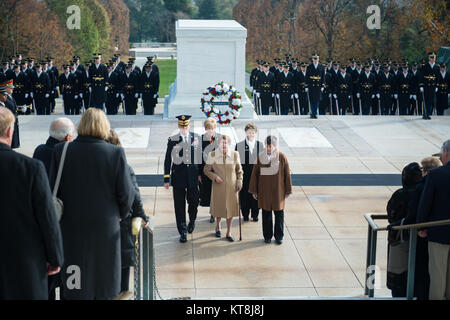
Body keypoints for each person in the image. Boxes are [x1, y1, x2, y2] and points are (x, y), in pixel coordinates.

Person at [49, 108, 134, 300]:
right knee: (103, 286)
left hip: (71, 232)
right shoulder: (115, 153)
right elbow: (126, 197)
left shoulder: (62, 150)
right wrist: (117, 214)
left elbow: (53, 189)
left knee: (74, 286)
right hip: (105, 232)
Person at [0, 106, 64, 299]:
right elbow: (47, 217)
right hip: (24, 266)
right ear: (10, 131)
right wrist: (55, 257)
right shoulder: (31, 168)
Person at [106, 129, 149, 294]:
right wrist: (142, 216)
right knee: (122, 280)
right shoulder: (124, 167)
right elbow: (134, 196)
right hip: (121, 228)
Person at [417, 140, 450, 300]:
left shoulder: (436, 174)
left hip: (439, 233)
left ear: (446, 152)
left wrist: (421, 226)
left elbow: (426, 203)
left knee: (438, 277)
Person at [163, 115, 200, 243]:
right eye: (182, 126)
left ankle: (192, 220)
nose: (184, 128)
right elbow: (168, 159)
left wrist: (201, 174)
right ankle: (182, 231)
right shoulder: (172, 140)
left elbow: (200, 157)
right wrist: (166, 178)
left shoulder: (196, 137)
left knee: (194, 201)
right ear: (179, 126)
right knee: (179, 205)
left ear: (189, 126)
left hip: (193, 176)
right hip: (178, 176)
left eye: (186, 125)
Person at [249, 136, 292, 244]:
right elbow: (255, 174)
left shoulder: (282, 157)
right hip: (265, 191)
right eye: (267, 146)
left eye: (270, 146)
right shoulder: (261, 157)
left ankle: (279, 236)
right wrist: (254, 190)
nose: (268, 148)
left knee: (279, 214)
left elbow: (287, 174)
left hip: (278, 191)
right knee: (266, 214)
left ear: (275, 146)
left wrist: (288, 190)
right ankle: (267, 236)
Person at [204, 135, 243, 242]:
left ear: (229, 144)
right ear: (218, 144)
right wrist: (215, 177)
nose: (224, 145)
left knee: (230, 210)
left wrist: (239, 181)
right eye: (221, 143)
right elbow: (206, 170)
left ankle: (228, 232)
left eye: (226, 143)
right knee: (219, 208)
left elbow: (239, 171)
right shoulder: (212, 155)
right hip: (218, 187)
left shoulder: (235, 155)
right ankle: (218, 226)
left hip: (232, 187)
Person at [235, 123, 264, 222]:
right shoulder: (239, 145)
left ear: (255, 133)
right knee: (244, 196)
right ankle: (245, 214)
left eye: (253, 132)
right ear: (245, 132)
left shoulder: (260, 145)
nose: (251, 134)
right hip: (245, 175)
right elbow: (237, 162)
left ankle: (255, 214)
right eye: (249, 132)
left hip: (256, 176)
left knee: (256, 195)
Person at [198, 117, 221, 223]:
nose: (210, 130)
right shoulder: (200, 139)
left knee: (217, 193)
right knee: (208, 193)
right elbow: (198, 157)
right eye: (208, 128)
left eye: (212, 128)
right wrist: (199, 173)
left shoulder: (220, 139)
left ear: (215, 128)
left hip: (218, 171)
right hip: (205, 171)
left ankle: (215, 213)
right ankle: (212, 212)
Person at [419, 52, 440, 120]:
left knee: (431, 101)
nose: (432, 59)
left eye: (433, 58)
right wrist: (421, 86)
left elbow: (438, 77)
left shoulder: (437, 67)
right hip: (426, 86)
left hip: (433, 86)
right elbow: (421, 77)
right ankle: (424, 114)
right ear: (429, 58)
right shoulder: (425, 66)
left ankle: (428, 113)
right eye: (431, 57)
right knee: (425, 100)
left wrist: (437, 86)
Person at [0, 79, 20, 148]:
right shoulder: (5, 98)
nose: (12, 89)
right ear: (6, 88)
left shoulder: (10, 96)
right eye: (10, 88)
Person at [306, 53, 325, 118]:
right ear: (312, 59)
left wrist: (322, 85)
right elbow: (307, 77)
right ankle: (312, 113)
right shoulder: (309, 67)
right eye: (314, 59)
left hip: (318, 85)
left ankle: (315, 112)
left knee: (317, 100)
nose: (315, 60)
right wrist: (306, 86)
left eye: (316, 59)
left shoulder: (321, 67)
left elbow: (323, 77)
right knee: (311, 100)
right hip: (311, 85)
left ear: (318, 59)